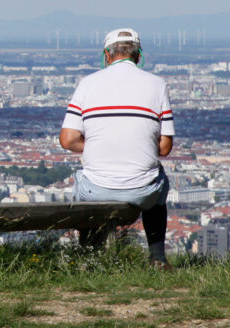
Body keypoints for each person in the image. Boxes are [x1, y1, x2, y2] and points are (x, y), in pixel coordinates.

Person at [60, 28, 174, 269]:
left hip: (96, 190)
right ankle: (157, 258)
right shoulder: (157, 85)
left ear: (107, 55)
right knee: (159, 181)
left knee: (81, 180)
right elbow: (164, 148)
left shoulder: (87, 84)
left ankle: (89, 255)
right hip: (143, 191)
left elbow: (68, 140)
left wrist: (95, 144)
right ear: (138, 55)